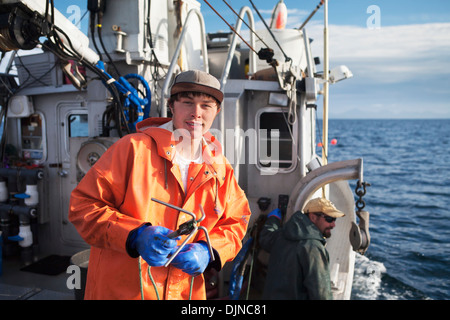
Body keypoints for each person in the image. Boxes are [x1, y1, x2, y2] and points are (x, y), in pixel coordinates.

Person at [69, 70, 251, 300]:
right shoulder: (132, 149)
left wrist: (209, 249)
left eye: (206, 105)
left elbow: (237, 220)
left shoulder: (220, 166)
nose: (196, 113)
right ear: (171, 106)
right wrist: (134, 236)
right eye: (187, 102)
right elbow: (82, 206)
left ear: (217, 111)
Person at [259, 197, 345, 300]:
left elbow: (266, 237)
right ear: (313, 217)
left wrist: (273, 219)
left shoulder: (282, 235)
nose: (333, 224)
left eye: (334, 219)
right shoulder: (314, 248)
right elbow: (321, 295)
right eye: (329, 219)